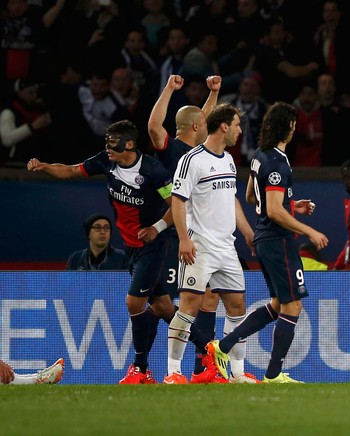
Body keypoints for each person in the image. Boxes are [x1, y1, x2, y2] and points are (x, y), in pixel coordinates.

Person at [26, 120, 208, 384]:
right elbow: (71, 171)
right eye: (107, 141)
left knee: (134, 303)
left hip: (153, 246)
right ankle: (208, 347)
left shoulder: (153, 171)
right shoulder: (105, 161)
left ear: (130, 144)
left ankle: (140, 368)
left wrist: (157, 228)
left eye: (113, 142)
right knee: (164, 308)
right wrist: (44, 167)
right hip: (131, 247)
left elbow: (178, 205)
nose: (108, 147)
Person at [206, 102, 329, 384]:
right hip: (277, 240)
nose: (296, 127)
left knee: (277, 304)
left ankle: (222, 347)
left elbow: (252, 196)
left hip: (265, 238)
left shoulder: (260, 156)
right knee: (293, 305)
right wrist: (309, 231)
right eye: (294, 123)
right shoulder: (276, 163)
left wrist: (291, 204)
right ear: (288, 126)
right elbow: (272, 210)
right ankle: (273, 375)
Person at [165, 103, 259, 385]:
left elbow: (231, 199)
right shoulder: (192, 160)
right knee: (189, 306)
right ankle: (173, 372)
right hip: (200, 246)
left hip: (226, 248)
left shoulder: (229, 160)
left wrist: (246, 231)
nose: (240, 131)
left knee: (237, 306)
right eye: (237, 125)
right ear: (224, 126)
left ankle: (238, 373)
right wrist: (183, 238)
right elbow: (177, 201)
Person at [149, 73, 232, 383]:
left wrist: (214, 93)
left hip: (205, 235)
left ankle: (203, 368)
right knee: (182, 303)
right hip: (177, 237)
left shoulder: (201, 152)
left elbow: (202, 119)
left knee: (209, 300)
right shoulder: (171, 150)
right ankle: (166, 370)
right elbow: (154, 127)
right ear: (197, 127)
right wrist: (169, 88)